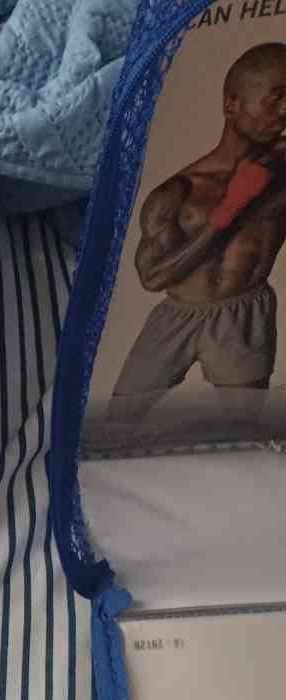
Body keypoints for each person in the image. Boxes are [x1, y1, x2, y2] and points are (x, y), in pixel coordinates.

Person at [109, 42, 286, 426]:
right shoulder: (177, 192)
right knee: (117, 423)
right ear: (232, 104)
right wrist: (229, 210)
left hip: (243, 311)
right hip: (177, 315)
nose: (284, 111)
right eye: (275, 98)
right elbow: (153, 277)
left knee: (243, 435)